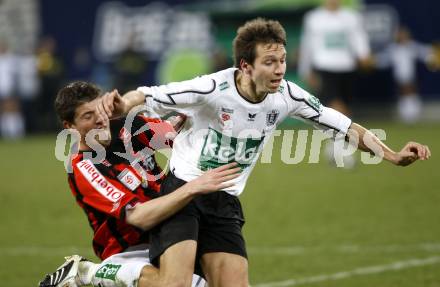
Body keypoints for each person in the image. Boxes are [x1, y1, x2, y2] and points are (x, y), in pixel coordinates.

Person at [96, 18, 431, 287]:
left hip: (224, 201)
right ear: (245, 66)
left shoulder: (288, 95)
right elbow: (146, 94)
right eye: (269, 62)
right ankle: (95, 275)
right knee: (175, 284)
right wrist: (123, 103)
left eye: (283, 60)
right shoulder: (212, 88)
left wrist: (392, 156)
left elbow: (341, 125)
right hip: (182, 192)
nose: (280, 69)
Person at [39, 81, 241, 287]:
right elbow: (139, 216)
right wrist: (192, 187)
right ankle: (88, 272)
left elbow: (173, 134)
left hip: (172, 230)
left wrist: (195, 115)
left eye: (100, 110)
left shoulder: (126, 126)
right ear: (69, 126)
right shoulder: (84, 166)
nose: (100, 119)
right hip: (131, 250)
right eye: (87, 116)